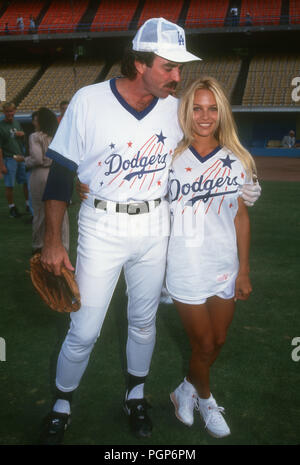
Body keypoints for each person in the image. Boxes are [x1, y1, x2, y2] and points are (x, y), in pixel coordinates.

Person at [38, 17, 261, 445]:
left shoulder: (173, 109)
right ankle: (62, 402)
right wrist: (52, 239)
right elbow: (63, 171)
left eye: (180, 67)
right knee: (84, 327)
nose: (178, 76)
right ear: (139, 63)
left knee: (143, 321)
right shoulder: (88, 100)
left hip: (156, 224)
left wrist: (247, 177)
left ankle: (136, 394)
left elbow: (211, 139)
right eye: (168, 66)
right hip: (102, 224)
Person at [167, 76, 256, 438]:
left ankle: (184, 389)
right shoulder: (169, 157)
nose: (204, 116)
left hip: (224, 265)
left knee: (218, 340)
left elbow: (240, 216)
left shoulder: (238, 160)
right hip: (185, 266)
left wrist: (244, 270)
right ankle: (206, 398)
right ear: (187, 111)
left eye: (212, 108)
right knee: (203, 343)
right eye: (197, 108)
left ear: (222, 113)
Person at [14, 108, 69, 254]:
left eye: (36, 119)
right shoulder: (60, 135)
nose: (33, 121)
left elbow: (37, 159)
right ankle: (63, 244)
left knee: (40, 211)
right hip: (58, 174)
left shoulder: (35, 136)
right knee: (61, 213)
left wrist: (23, 159)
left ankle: (39, 245)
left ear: (41, 120)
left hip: (41, 174)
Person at [0, 102, 29, 218]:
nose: (9, 114)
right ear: (3, 112)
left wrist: (22, 135)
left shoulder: (17, 123)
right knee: (9, 185)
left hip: (20, 157)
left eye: (11, 111)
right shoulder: (1, 126)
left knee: (26, 182)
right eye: (7, 111)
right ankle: (12, 207)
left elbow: (22, 141)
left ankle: (28, 204)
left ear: (15, 111)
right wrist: (1, 165)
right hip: (9, 158)